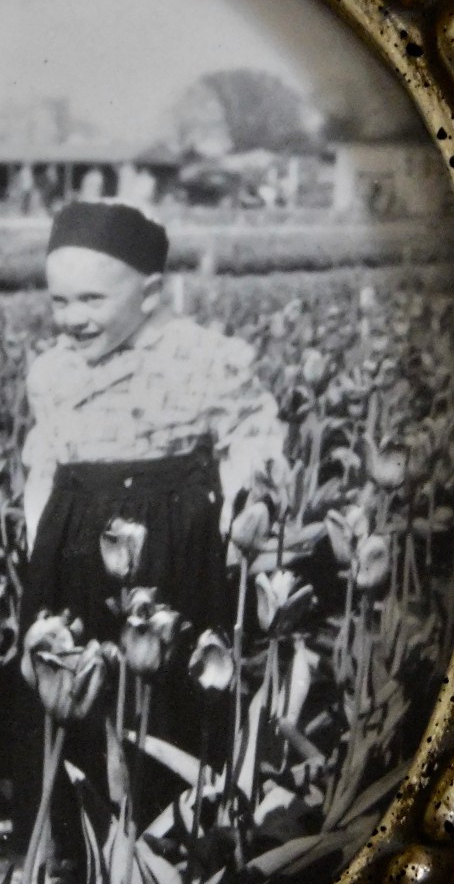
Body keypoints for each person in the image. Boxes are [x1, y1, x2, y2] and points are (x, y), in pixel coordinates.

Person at [21, 199, 284, 641]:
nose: (72, 319)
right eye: (59, 302)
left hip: (175, 544)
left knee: (164, 659)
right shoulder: (54, 373)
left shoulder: (202, 360)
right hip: (73, 545)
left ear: (148, 294)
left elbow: (252, 434)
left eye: (91, 300)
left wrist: (245, 511)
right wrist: (36, 538)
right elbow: (45, 462)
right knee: (75, 658)